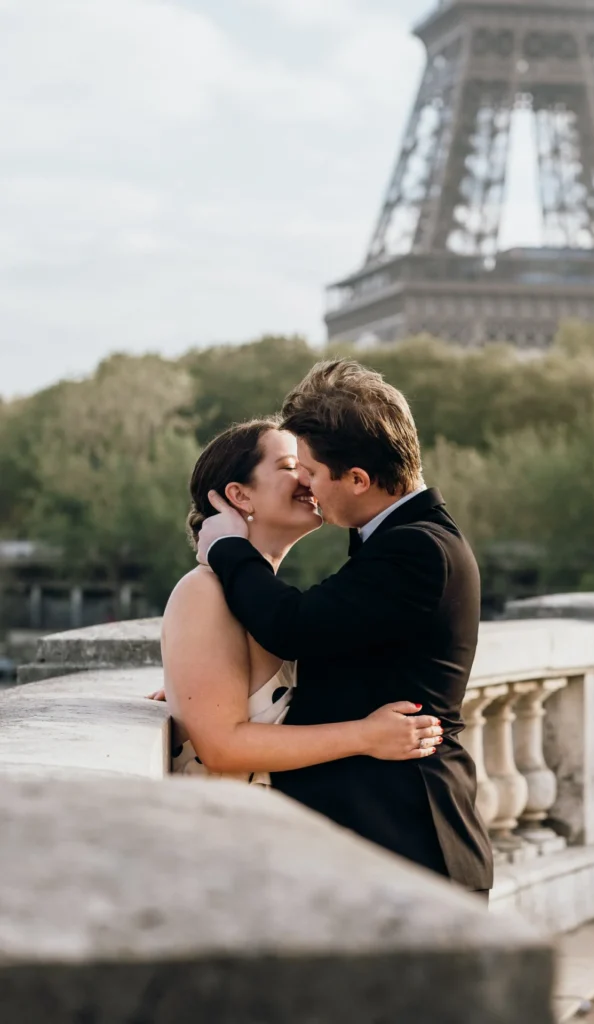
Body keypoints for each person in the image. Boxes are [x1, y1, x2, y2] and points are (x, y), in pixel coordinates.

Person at [196, 360, 494, 895]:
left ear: (357, 479)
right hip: (385, 843)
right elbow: (336, 648)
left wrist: (228, 548)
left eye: (310, 471)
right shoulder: (403, 539)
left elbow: (292, 627)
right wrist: (208, 685)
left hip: (408, 845)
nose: (305, 485)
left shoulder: (416, 549)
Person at [155, 417, 444, 785]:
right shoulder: (204, 593)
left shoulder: (267, 603)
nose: (309, 479)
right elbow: (220, 747)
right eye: (291, 466)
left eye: (308, 467)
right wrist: (366, 736)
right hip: (226, 816)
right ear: (240, 495)